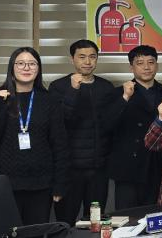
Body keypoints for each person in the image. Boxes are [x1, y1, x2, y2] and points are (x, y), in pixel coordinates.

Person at [0, 47, 68, 225]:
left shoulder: (49, 100)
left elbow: (59, 145)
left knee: (34, 233)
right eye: (20, 63)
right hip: (0, 185)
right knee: (4, 233)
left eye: (32, 63)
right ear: (12, 67)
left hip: (40, 185)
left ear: (38, 68)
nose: (26, 68)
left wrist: (59, 184)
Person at [49, 40, 115, 225]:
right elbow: (59, 123)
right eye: (82, 57)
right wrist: (73, 90)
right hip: (69, 169)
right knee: (65, 221)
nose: (88, 61)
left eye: (92, 57)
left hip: (98, 169)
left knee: (95, 221)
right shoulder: (58, 87)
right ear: (72, 59)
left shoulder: (106, 87)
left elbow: (110, 125)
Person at [105, 45, 162, 209]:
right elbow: (107, 124)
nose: (146, 67)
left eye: (151, 62)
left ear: (157, 66)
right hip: (128, 167)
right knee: (126, 216)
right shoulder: (117, 93)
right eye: (140, 63)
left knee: (155, 216)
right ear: (131, 67)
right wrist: (125, 97)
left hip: (158, 165)